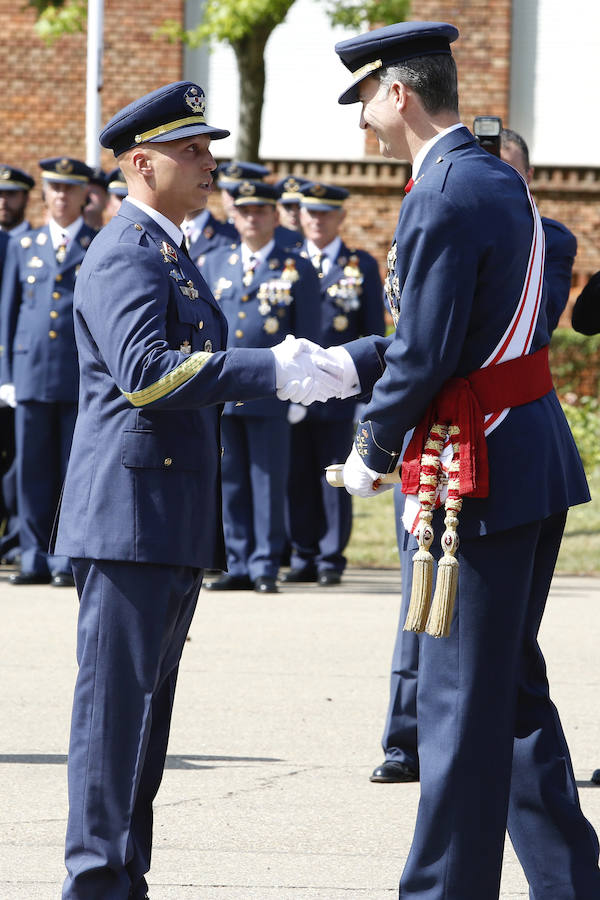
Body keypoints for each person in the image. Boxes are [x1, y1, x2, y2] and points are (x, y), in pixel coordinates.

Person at [294, 20, 600, 897]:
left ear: (400, 92)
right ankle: (571, 881)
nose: (362, 121)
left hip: (484, 465)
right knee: (507, 693)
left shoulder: (442, 191)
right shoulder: (497, 177)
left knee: (457, 702)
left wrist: (370, 448)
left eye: (365, 99)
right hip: (529, 455)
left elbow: (425, 351)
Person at [52, 80, 339, 899]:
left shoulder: (170, 249)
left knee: (144, 724)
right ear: (141, 163)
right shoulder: (124, 252)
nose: (207, 162)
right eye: (190, 150)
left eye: (206, 148)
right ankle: (95, 880)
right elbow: (146, 376)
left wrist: (288, 376)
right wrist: (270, 369)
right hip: (127, 519)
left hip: (165, 515)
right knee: (113, 721)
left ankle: (122, 876)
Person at [370, 123, 582, 786]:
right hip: (469, 442)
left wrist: (373, 440)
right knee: (495, 676)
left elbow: (442, 347)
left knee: (472, 684)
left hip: (481, 448)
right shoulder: (451, 200)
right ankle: (565, 880)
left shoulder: (455, 200)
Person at [201, 178, 322, 593]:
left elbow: (309, 334)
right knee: (229, 478)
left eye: (261, 210)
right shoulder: (215, 262)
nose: (252, 218)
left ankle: (266, 564)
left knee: (268, 479)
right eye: (244, 210)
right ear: (233, 215)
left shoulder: (296, 267)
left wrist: (304, 389)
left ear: (275, 215)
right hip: (224, 387)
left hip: (274, 390)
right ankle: (236, 561)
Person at [0, 156, 97, 586]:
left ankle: (63, 559)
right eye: (54, 188)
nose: (61, 196)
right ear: (46, 194)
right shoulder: (25, 246)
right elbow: (8, 313)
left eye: (70, 189)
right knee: (32, 471)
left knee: (70, 472)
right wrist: (5, 373)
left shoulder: (97, 243)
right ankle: (32, 556)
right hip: (31, 373)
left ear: (84, 195)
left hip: (78, 376)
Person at [283, 181, 385, 586]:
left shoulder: (360, 266)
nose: (317, 220)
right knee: (296, 475)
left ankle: (329, 558)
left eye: (326, 213)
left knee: (335, 476)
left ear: (341, 217)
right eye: (310, 212)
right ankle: (301, 554)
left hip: (340, 394)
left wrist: (369, 395)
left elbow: (374, 335)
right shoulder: (285, 262)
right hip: (291, 388)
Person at [500, 127, 577, 333]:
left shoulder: (553, 239)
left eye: (508, 171)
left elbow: (545, 317)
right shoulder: (458, 229)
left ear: (529, 175)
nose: (496, 180)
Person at [0, 165, 35, 565]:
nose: (3, 202)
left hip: (24, 370)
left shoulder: (29, 243)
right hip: (11, 368)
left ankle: (18, 538)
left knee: (20, 464)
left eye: (11, 194)